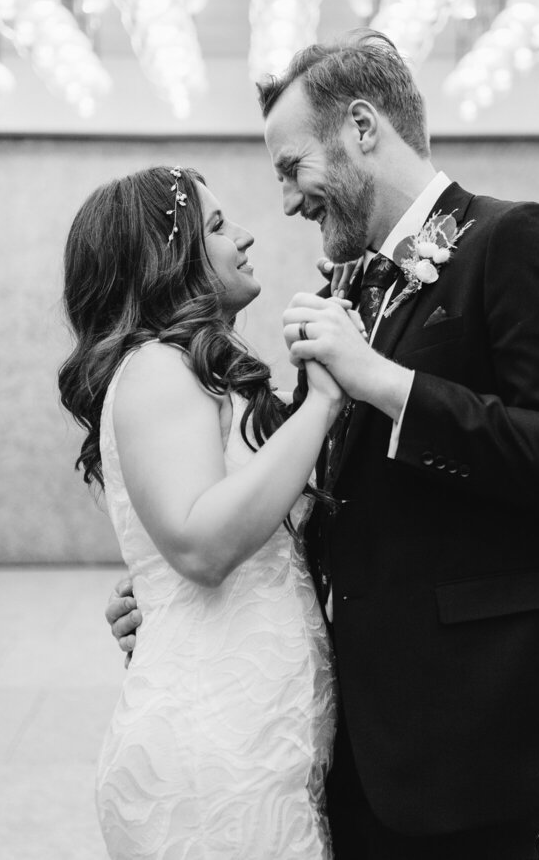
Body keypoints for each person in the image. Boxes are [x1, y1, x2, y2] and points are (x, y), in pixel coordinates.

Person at [107, 30, 539, 858]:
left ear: (361, 128)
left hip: (468, 728)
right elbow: (339, 503)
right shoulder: (345, 288)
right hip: (354, 735)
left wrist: (386, 382)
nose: (285, 202)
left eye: (291, 168)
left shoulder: (516, 241)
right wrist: (195, 609)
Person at [59, 167, 364, 859]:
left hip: (257, 741)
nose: (246, 235)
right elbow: (200, 547)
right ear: (167, 260)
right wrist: (319, 405)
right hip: (213, 758)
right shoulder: (157, 370)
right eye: (220, 226)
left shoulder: (194, 371)